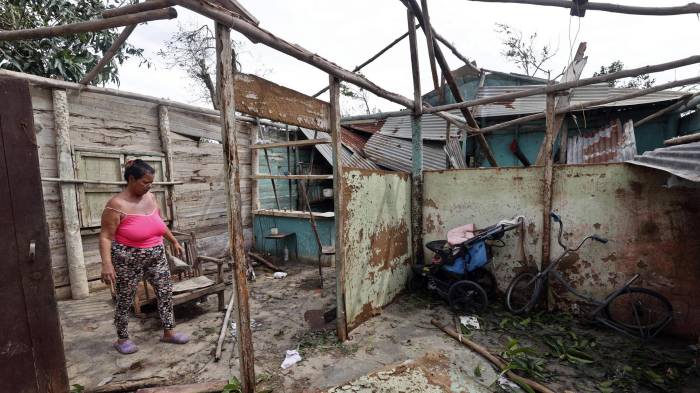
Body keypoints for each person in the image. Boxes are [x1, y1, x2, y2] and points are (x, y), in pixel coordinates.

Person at [99, 159, 189, 354]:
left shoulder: (151, 197)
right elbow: (106, 237)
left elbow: (158, 222)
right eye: (145, 182)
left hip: (156, 254)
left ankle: (169, 332)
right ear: (131, 179)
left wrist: (173, 240)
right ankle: (122, 338)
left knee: (165, 292)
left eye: (151, 183)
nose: (148, 186)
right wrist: (107, 264)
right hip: (127, 258)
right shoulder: (116, 204)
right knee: (125, 297)